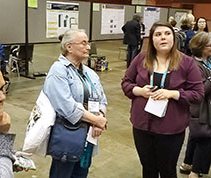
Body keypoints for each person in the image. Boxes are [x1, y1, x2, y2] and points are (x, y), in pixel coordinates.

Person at [121, 22, 204, 178]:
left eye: (167, 33)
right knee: (148, 168)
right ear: (152, 39)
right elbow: (126, 82)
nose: (163, 38)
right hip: (142, 126)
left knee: (167, 170)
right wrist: (139, 91)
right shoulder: (141, 59)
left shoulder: (186, 63)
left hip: (170, 128)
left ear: (174, 38)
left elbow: (198, 94)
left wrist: (172, 94)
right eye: (158, 35)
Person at [43, 29, 108, 178]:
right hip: (67, 134)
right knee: (63, 173)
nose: (88, 47)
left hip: (88, 135)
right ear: (69, 47)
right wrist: (96, 120)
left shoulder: (89, 73)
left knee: (81, 172)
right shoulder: (58, 71)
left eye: (88, 43)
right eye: (83, 43)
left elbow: (102, 99)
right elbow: (66, 106)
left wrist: (100, 116)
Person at [179, 31, 211, 178]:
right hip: (200, 110)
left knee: (195, 137)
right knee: (205, 140)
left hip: (204, 109)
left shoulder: (207, 60)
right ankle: (196, 172)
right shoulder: (194, 65)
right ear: (201, 47)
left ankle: (188, 164)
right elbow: (201, 90)